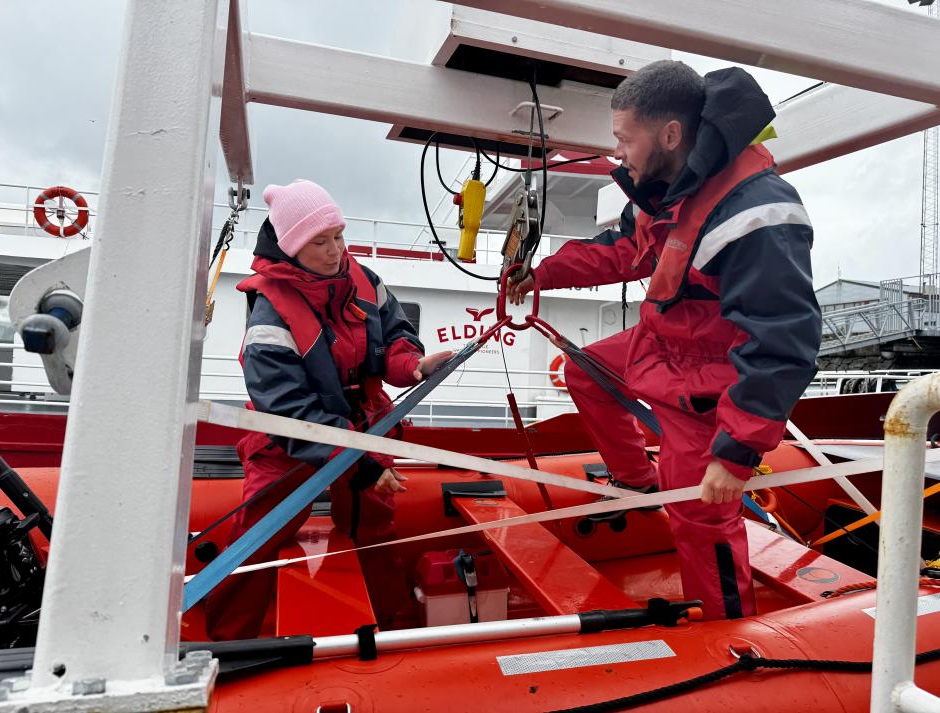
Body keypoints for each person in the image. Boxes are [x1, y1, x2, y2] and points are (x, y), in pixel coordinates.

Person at [509, 60, 821, 619]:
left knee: (702, 519)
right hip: (663, 349)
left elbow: (785, 343)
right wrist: (543, 273)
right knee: (584, 368)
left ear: (670, 135)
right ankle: (635, 480)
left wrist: (737, 450)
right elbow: (617, 248)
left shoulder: (758, 214)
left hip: (707, 384)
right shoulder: (669, 192)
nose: (619, 153)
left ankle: (729, 631)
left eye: (625, 139)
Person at [206, 180, 451, 640]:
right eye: (320, 241)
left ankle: (392, 627)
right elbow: (287, 411)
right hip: (289, 442)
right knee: (258, 535)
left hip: (360, 428)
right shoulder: (270, 317)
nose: (335, 249)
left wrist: (414, 366)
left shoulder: (365, 282)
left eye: (338, 234)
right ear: (292, 247)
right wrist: (357, 463)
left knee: (374, 526)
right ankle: (228, 641)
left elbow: (395, 337)